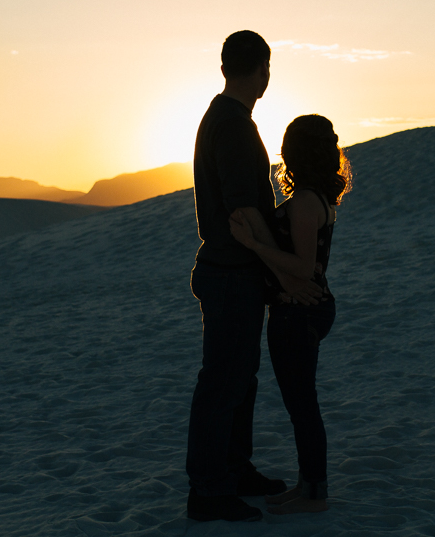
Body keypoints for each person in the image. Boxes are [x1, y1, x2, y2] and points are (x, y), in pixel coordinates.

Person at [186, 30, 322, 523]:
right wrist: (283, 271)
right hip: (231, 273)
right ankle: (209, 489)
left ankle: (233, 470)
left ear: (226, 68)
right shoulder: (235, 126)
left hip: (228, 271)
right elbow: (246, 211)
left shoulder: (222, 116)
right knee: (225, 380)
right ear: (263, 70)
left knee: (238, 378)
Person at [229, 114, 352, 515]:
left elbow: (301, 267)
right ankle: (307, 485)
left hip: (298, 313)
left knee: (303, 407)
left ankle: (314, 494)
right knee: (302, 405)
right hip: (309, 309)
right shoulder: (318, 199)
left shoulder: (304, 202)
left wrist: (253, 243)